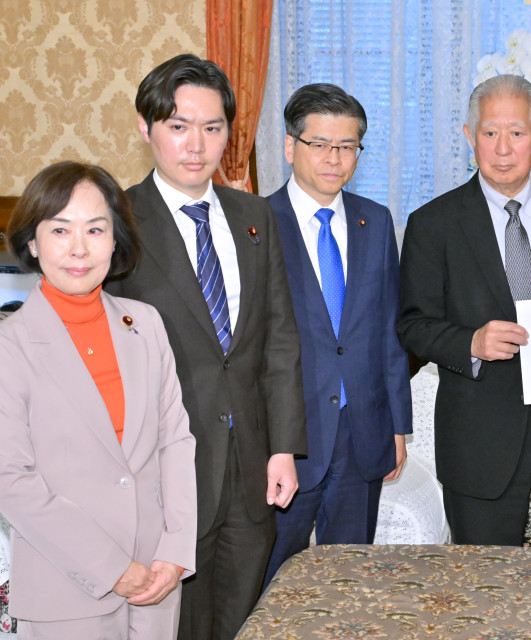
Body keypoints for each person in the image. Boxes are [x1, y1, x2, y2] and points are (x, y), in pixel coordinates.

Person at [106, 54, 307, 640]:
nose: (196, 145)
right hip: (163, 469)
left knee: (243, 618)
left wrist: (283, 448)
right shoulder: (117, 221)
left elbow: (279, 339)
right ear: (146, 128)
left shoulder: (254, 215)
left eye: (212, 127)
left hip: (251, 465)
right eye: (179, 126)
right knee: (177, 623)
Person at [398, 74, 531, 548]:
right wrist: (470, 342)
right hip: (479, 440)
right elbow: (412, 325)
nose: (503, 148)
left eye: (517, 132)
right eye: (490, 132)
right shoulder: (433, 224)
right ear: (469, 136)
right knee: (483, 584)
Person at [0, 161, 196, 638]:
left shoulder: (145, 323)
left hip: (156, 580)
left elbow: (175, 441)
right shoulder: (10, 345)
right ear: (32, 243)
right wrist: (112, 568)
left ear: (114, 240)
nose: (79, 248)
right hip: (64, 586)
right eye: (60, 230)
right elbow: (11, 480)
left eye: (95, 229)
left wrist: (175, 551)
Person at [261, 84, 412, 586]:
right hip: (288, 436)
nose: (334, 158)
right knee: (272, 580)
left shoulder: (376, 221)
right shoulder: (257, 224)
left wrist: (397, 426)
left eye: (347, 146)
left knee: (349, 583)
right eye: (320, 144)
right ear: (290, 146)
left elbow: (388, 332)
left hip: (361, 432)